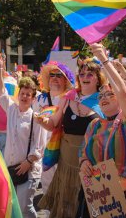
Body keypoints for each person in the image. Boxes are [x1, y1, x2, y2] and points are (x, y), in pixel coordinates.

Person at [77, 43, 126, 218]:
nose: (104, 98)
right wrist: (84, 163)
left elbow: (123, 92)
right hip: (97, 199)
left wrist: (104, 59)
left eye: (110, 94)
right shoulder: (94, 125)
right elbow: (83, 153)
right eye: (101, 95)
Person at [36, 59, 106, 218]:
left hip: (91, 162)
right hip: (66, 160)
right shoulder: (68, 97)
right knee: (66, 205)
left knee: (87, 206)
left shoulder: (104, 99)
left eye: (90, 74)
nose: (85, 77)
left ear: (98, 78)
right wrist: (42, 120)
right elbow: (53, 123)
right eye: (82, 74)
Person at [0, 56, 46, 218]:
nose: (24, 97)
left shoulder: (37, 117)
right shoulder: (11, 109)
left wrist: (28, 162)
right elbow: (1, 92)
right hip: (11, 167)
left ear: (33, 97)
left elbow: (40, 146)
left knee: (25, 208)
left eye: (28, 94)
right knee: (13, 207)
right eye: (22, 93)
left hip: (28, 170)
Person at [32, 61, 75, 197]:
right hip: (45, 152)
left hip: (64, 150)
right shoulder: (39, 99)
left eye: (59, 75)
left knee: (65, 190)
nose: (55, 78)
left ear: (65, 80)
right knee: (48, 190)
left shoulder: (71, 100)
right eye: (52, 75)